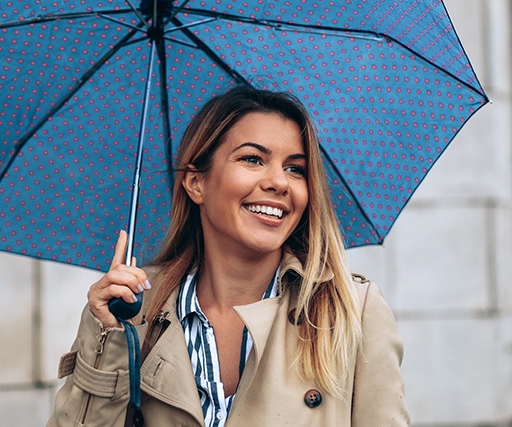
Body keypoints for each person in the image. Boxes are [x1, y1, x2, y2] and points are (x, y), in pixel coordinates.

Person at [47, 85, 409, 426]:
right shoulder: (135, 309)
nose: (279, 183)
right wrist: (107, 337)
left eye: (295, 168)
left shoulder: (352, 311)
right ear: (195, 182)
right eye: (253, 159)